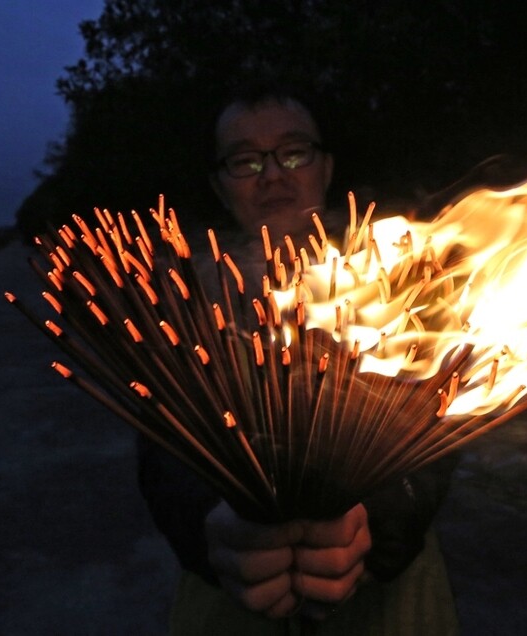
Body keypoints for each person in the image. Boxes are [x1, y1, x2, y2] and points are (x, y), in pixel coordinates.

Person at [137, 86, 461, 635]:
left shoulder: (398, 279)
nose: (273, 175)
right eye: (245, 161)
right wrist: (208, 529)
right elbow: (162, 457)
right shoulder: (181, 300)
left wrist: (378, 523)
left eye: (293, 153)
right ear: (220, 185)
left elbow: (437, 435)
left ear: (326, 167)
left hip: (393, 614)